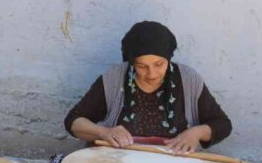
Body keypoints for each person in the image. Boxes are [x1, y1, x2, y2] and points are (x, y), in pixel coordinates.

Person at [64, 21, 231, 153]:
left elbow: (222, 124)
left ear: (169, 59)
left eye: (159, 64)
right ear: (131, 63)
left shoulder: (188, 80)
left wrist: (196, 133)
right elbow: (74, 121)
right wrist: (104, 132)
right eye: (142, 66)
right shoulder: (114, 79)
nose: (151, 74)